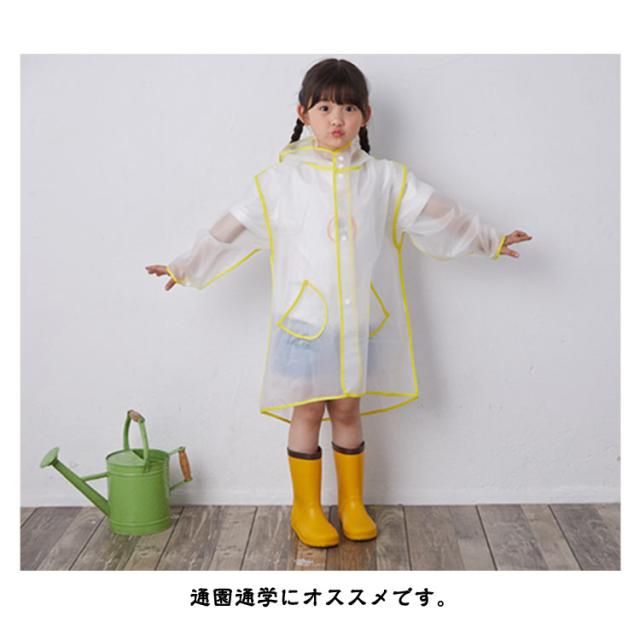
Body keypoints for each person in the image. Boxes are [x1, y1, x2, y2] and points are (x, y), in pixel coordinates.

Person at [146, 58, 532, 549]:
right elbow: (232, 227)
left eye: (349, 108)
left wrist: (490, 239)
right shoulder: (281, 181)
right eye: (325, 107)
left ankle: (352, 504)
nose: (337, 119)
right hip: (303, 322)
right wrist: (184, 266)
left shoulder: (383, 179)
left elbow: (439, 211)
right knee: (308, 412)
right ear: (303, 113)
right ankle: (306, 509)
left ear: (365, 115)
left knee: (348, 409)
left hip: (355, 325)